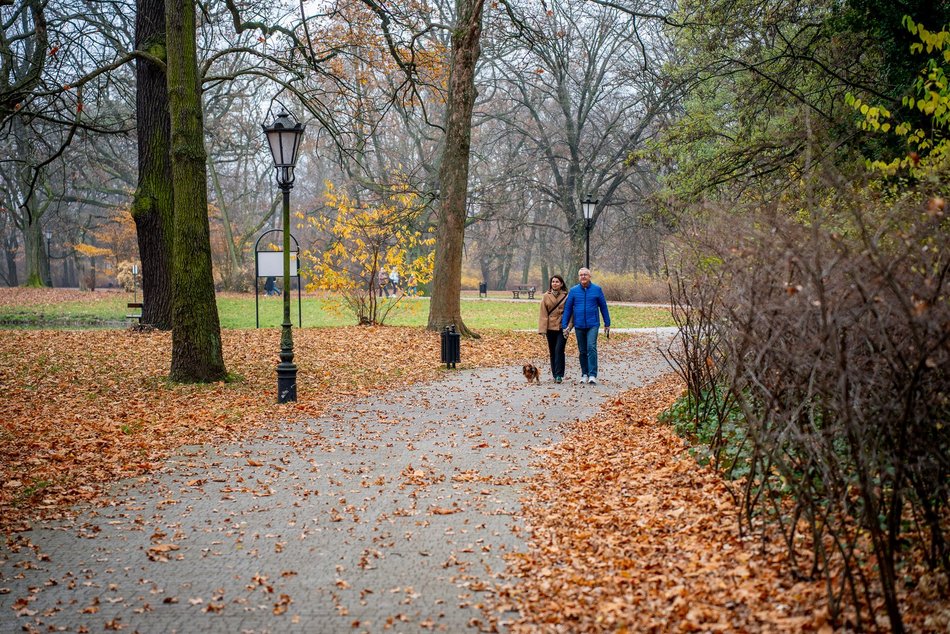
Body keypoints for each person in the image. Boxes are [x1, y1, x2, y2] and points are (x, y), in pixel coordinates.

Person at [561, 267, 610, 385]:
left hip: (593, 324)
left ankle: (592, 375)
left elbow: (603, 306)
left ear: (589, 276)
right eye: (581, 275)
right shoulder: (574, 291)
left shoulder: (597, 289)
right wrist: (564, 325)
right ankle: (584, 374)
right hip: (579, 325)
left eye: (585, 275)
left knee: (591, 347)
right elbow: (568, 308)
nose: (583, 277)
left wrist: (607, 323)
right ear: (579, 277)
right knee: (582, 350)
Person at [538, 274, 570, 383]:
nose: (554, 284)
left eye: (557, 282)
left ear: (561, 284)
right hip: (550, 327)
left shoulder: (566, 296)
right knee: (552, 351)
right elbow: (543, 313)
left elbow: (570, 312)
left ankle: (559, 375)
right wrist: (542, 330)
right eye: (553, 282)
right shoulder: (546, 296)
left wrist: (569, 326)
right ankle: (555, 374)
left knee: (559, 350)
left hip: (562, 327)